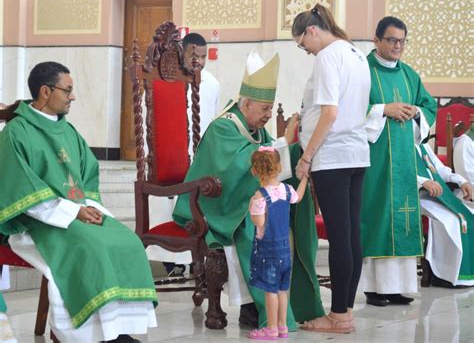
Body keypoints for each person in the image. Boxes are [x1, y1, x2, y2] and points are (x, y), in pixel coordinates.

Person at [0, 62, 157, 343]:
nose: (72, 97)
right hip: (36, 221)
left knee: (128, 242)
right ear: (45, 92)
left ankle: (115, 331)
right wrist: (74, 212)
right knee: (89, 247)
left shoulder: (68, 132)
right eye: (68, 90)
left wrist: (89, 208)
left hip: (75, 213)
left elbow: (87, 178)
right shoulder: (15, 133)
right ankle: (82, 335)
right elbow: (21, 190)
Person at [173, 51, 325, 330]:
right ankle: (257, 307)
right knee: (255, 225)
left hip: (239, 201)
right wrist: (284, 142)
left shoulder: (255, 129)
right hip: (214, 206)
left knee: (282, 217)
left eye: (271, 108)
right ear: (246, 103)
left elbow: (268, 165)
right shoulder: (223, 127)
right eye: (265, 109)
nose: (269, 115)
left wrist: (299, 149)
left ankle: (280, 305)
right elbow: (240, 169)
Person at [291, 4, 371, 333]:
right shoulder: (356, 52)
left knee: (339, 238)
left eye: (301, 44)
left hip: (333, 157)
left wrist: (307, 157)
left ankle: (338, 316)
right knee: (350, 235)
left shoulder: (327, 56)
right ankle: (346, 312)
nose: (305, 51)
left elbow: (329, 113)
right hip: (356, 154)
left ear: (312, 31)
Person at [359, 16, 437, 306]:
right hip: (375, 160)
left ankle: (395, 287)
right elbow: (350, 108)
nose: (397, 46)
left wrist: (416, 112)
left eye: (402, 41)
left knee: (402, 215)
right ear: (376, 40)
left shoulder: (408, 74)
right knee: (378, 217)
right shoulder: (363, 71)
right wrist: (382, 110)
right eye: (391, 40)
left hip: (403, 159)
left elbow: (429, 106)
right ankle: (372, 288)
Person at [147, 32, 221, 277]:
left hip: (199, 157)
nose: (199, 61)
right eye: (194, 56)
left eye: (203, 56)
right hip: (168, 157)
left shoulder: (211, 83)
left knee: (194, 210)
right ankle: (170, 262)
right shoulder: (168, 80)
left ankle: (195, 260)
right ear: (183, 53)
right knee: (165, 210)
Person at [247, 147, 308, 340]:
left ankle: (271, 328)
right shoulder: (287, 190)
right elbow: (298, 197)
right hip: (285, 251)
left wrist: (252, 206)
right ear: (279, 167)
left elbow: (259, 223)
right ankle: (282, 326)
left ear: (254, 171)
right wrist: (305, 178)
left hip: (268, 251)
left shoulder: (260, 196)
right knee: (283, 289)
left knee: (270, 291)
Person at [416, 141, 473, 287]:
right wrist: (423, 181)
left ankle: (464, 273)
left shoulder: (423, 146)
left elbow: (441, 170)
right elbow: (397, 173)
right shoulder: (398, 144)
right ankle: (443, 274)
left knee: (469, 215)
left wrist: (462, 181)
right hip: (416, 198)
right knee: (451, 221)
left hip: (438, 197)